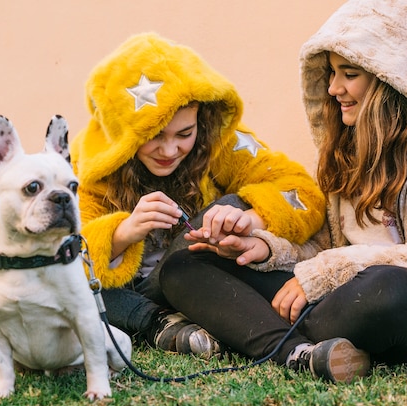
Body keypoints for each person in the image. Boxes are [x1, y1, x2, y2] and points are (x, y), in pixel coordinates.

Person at [160, 0, 407, 383]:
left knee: (388, 286)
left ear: (393, 77)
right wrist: (265, 250)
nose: (333, 88)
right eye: (331, 73)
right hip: (337, 299)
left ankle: (245, 328)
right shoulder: (345, 144)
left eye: (350, 73)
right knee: (187, 264)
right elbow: (323, 246)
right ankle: (301, 353)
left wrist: (321, 274)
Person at [69, 33, 326, 358]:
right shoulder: (93, 160)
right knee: (70, 288)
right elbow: (69, 256)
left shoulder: (219, 141)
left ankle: (169, 323)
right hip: (128, 293)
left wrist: (249, 218)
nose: (169, 149)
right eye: (153, 136)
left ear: (199, 122)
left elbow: (302, 192)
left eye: (184, 133)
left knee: (229, 205)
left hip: (197, 277)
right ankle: (158, 323)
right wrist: (123, 233)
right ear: (125, 131)